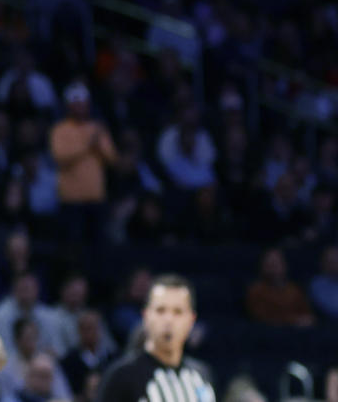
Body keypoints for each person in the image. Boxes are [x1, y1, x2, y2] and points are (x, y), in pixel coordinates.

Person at [97, 275, 216, 402]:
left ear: (191, 320)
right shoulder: (121, 377)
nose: (169, 320)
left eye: (178, 312)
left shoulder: (201, 375)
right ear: (146, 316)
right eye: (161, 310)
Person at [50, 83, 117, 252]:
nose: (80, 107)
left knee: (99, 247)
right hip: (71, 202)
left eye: (83, 103)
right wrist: (88, 145)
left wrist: (98, 144)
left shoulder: (98, 128)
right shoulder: (60, 130)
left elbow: (112, 158)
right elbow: (60, 157)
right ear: (69, 106)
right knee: (74, 248)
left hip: (96, 200)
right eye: (76, 103)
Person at [245, 247, 315, 326]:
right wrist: (293, 320)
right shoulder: (256, 291)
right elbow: (261, 317)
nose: (273, 268)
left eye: (276, 263)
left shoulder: (294, 290)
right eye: (269, 264)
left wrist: (307, 320)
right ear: (262, 267)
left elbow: (306, 313)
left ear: (284, 265)